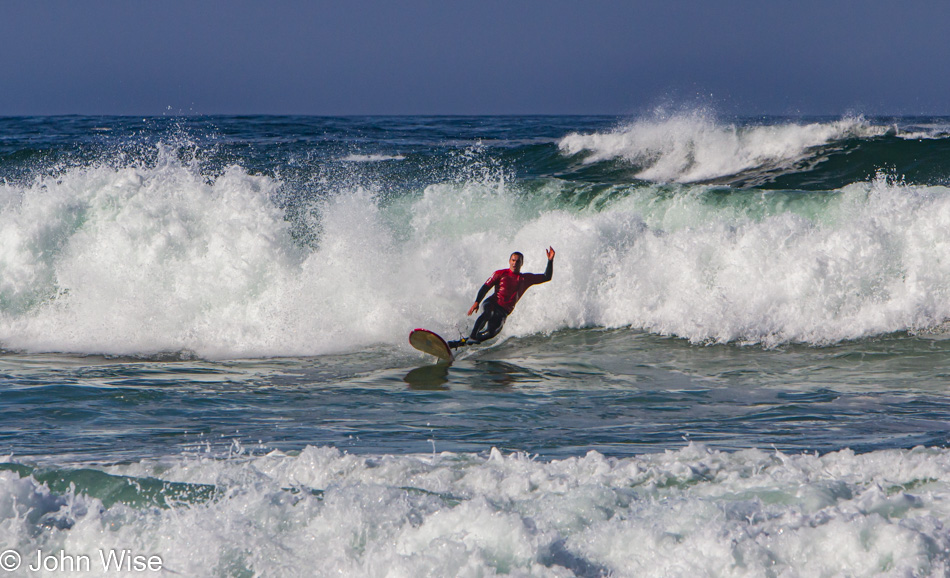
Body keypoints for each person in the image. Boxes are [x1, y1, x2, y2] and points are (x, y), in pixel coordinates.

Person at [448, 247, 555, 349]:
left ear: (522, 263)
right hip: (492, 303)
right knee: (488, 313)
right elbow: (485, 287)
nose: (515, 263)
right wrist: (477, 302)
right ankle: (472, 336)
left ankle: (457, 343)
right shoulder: (500, 273)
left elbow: (547, 277)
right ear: (509, 261)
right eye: (513, 260)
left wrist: (550, 261)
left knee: (491, 333)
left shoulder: (526, 278)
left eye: (518, 261)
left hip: (503, 312)